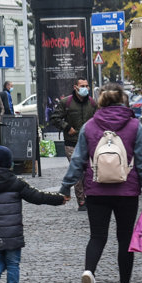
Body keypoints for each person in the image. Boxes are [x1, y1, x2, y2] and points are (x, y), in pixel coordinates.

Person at [59, 85, 142, 283]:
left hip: (96, 190)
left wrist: (66, 187)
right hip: (127, 191)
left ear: (100, 102)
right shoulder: (134, 126)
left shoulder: (90, 126)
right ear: (124, 101)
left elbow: (78, 160)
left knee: (97, 236)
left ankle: (89, 273)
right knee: (125, 239)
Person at [0, 144, 67, 283]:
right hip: (13, 232)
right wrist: (59, 199)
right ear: (9, 163)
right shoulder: (16, 183)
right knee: (12, 263)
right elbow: (37, 197)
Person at [50, 78, 97, 210]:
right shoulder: (67, 102)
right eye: (82, 86)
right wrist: (67, 127)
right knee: (77, 173)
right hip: (72, 143)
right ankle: (81, 201)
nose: (85, 88)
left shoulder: (92, 103)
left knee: (90, 172)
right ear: (75, 87)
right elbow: (55, 118)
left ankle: (90, 197)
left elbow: (99, 119)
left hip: (89, 142)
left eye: (87, 86)